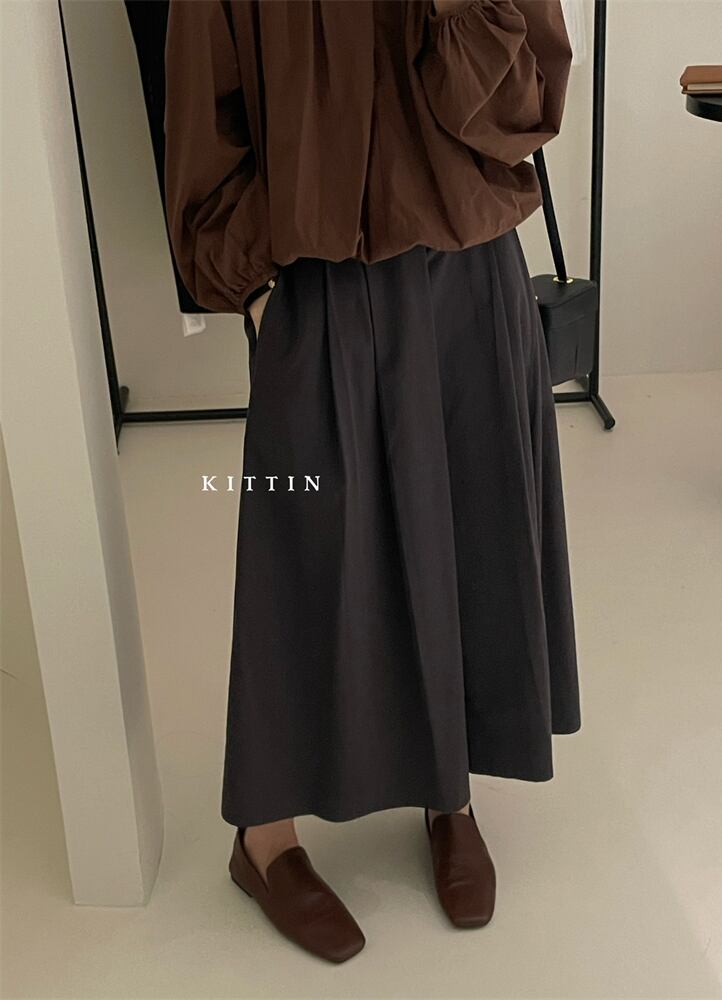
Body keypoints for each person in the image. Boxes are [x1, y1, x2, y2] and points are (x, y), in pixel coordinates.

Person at [163, 0, 581, 963]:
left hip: (469, 268)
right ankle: (263, 838)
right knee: (305, 555)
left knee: (468, 531)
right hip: (317, 276)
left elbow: (521, 110)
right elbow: (202, 111)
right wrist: (254, 280)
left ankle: (449, 792)